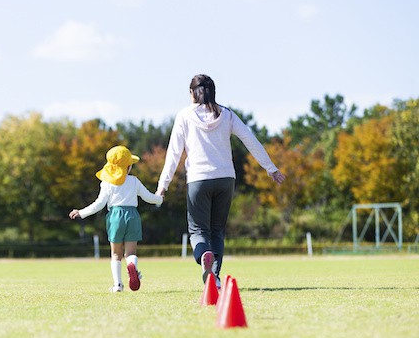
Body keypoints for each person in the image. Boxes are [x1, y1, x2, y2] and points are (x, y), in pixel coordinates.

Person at [155, 74, 285, 288]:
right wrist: (270, 168)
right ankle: (214, 278)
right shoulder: (227, 114)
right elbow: (250, 140)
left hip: (198, 180)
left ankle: (204, 255)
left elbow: (173, 153)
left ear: (191, 93)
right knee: (217, 230)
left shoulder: (184, 116)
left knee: (198, 230)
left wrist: (163, 186)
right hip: (226, 179)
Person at [69, 145, 163, 292]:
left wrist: (81, 212)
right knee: (130, 253)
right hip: (132, 216)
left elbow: (99, 204)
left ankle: (118, 285)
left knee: (115, 254)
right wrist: (160, 199)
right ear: (128, 167)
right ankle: (132, 265)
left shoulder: (107, 183)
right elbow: (149, 197)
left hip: (115, 217)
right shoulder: (134, 181)